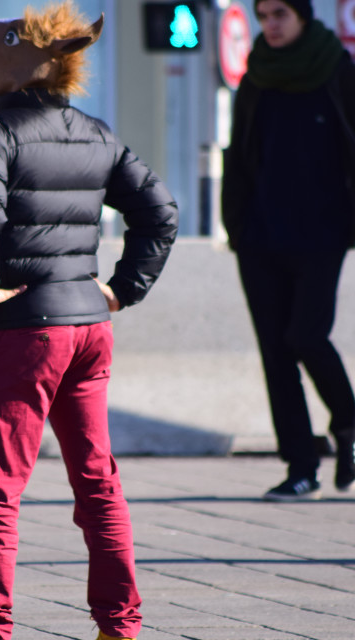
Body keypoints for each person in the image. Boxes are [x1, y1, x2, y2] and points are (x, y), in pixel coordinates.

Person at [0, 2, 178, 639]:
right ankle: (120, 627)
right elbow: (161, 214)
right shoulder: (96, 134)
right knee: (97, 481)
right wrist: (122, 292)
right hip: (89, 329)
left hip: (26, 332)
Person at [222, 0, 355, 501]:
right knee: (275, 352)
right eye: (263, 15)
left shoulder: (338, 72)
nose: (269, 25)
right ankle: (301, 466)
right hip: (259, 236)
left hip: (322, 234)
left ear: (303, 16)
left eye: (280, 14)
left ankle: (347, 422)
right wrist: (235, 223)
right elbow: (239, 152)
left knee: (306, 336)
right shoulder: (257, 77)